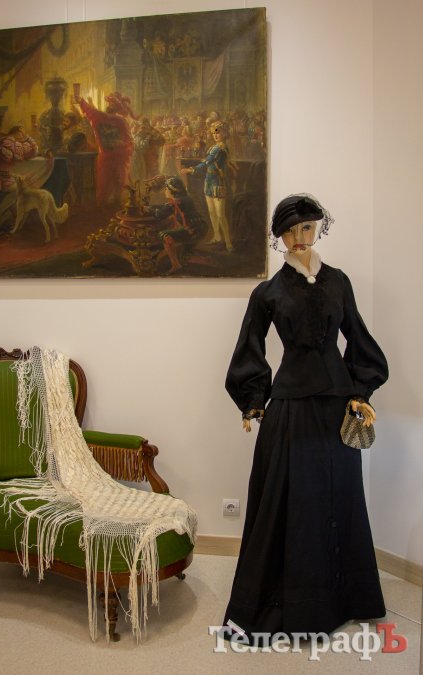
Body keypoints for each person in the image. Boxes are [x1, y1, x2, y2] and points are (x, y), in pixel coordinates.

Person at [223, 193, 389, 644]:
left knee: (338, 498)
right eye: (291, 230)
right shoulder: (268, 292)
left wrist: (360, 391)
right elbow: (249, 346)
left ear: (318, 229)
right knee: (290, 502)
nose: (300, 237)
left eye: (308, 227)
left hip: (337, 406)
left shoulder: (339, 282)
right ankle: (291, 604)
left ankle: (344, 600)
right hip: (291, 407)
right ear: (279, 236)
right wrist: (253, 399)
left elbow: (358, 337)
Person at [182, 121, 235, 251]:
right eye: (213, 133)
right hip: (209, 181)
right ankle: (217, 236)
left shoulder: (220, 148)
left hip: (217, 182)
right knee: (211, 212)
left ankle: (228, 242)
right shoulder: (214, 147)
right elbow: (208, 162)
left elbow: (207, 162)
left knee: (220, 215)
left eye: (218, 132)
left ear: (225, 133)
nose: (215, 135)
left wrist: (190, 170)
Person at [146, 175, 207, 275]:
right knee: (173, 221)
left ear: (171, 190)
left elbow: (159, 215)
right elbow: (166, 207)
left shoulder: (175, 202)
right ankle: (185, 254)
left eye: (166, 189)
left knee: (163, 234)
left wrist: (148, 209)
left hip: (192, 231)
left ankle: (176, 265)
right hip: (201, 227)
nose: (165, 191)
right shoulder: (185, 199)